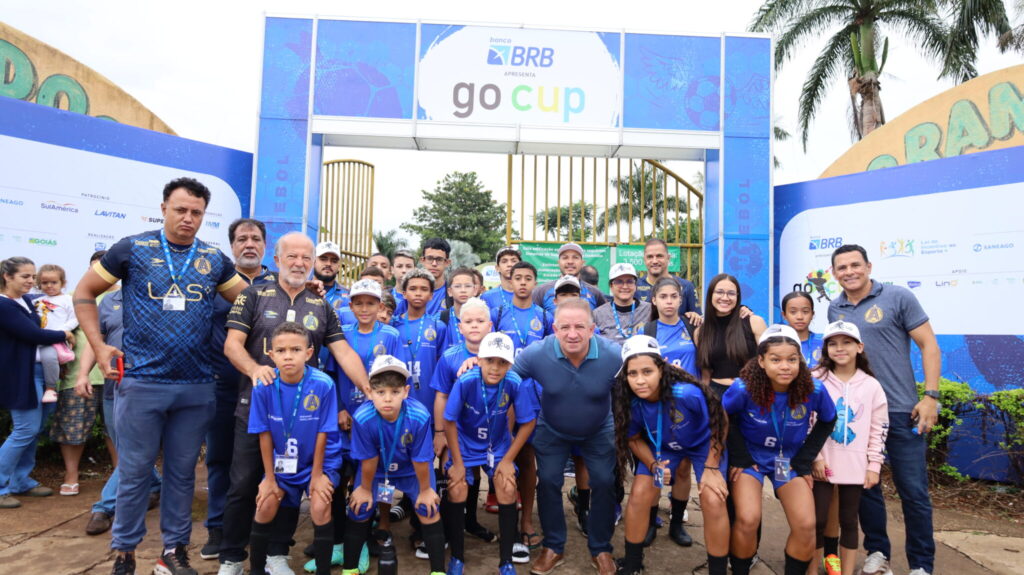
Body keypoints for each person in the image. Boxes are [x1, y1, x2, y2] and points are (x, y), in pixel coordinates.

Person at [73, 177, 248, 575]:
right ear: (164, 208)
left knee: (182, 476)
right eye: (180, 210)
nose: (188, 218)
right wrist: (99, 346)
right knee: (134, 473)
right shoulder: (132, 248)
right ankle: (124, 553)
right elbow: (84, 292)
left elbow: (248, 299)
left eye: (196, 213)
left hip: (196, 385)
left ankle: (173, 551)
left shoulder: (213, 259)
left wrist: (289, 291)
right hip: (142, 381)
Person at [217, 231, 371, 575]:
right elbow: (232, 345)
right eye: (292, 257)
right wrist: (255, 370)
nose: (299, 263)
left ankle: (276, 554)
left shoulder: (320, 303)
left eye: (306, 258)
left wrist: (368, 388)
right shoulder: (253, 295)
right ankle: (232, 557)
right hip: (256, 409)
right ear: (277, 260)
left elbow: (343, 351)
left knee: (288, 483)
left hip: (303, 417)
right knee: (244, 484)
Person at [827, 244, 940, 575]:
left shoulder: (898, 297)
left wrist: (930, 396)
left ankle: (921, 565)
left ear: (869, 267)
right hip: (859, 415)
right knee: (867, 488)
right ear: (834, 273)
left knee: (913, 492)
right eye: (842, 267)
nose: (849, 272)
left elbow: (929, 345)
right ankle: (878, 553)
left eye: (855, 265)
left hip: (903, 411)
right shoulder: (835, 309)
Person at [511, 298, 622, 575]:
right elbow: (505, 377)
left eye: (580, 327)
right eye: (565, 327)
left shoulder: (614, 355)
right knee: (548, 481)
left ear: (592, 329)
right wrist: (475, 364)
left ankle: (601, 548)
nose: (572, 334)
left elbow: (646, 373)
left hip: (598, 429)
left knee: (604, 481)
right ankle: (553, 546)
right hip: (552, 429)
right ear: (554, 329)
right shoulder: (537, 353)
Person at [723, 324, 837, 575]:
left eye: (792, 360)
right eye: (776, 360)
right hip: (751, 457)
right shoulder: (743, 388)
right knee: (748, 519)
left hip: (788, 459)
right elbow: (723, 417)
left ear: (800, 361)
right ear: (761, 361)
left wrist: (805, 458)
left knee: (806, 525)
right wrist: (740, 457)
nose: (785, 366)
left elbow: (828, 419)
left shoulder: (813, 389)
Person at [613, 335, 729, 575]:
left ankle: (716, 569)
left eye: (647, 371)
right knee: (639, 495)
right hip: (663, 447)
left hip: (703, 445)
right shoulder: (631, 402)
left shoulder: (686, 393)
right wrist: (652, 464)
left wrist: (711, 466)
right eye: (632, 373)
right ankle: (633, 564)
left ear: (662, 368)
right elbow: (633, 438)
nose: (640, 380)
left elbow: (720, 420)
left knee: (713, 499)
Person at [203, 217, 276, 559]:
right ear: (232, 245)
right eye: (242, 239)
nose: (249, 244)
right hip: (223, 385)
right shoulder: (213, 284)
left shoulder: (279, 285)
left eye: (255, 238)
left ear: (265, 245)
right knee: (220, 458)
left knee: (264, 460)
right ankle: (218, 527)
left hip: (266, 389)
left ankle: (261, 526)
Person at [76, 257, 163, 536]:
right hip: (113, 389)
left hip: (146, 390)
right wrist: (83, 374)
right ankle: (155, 485)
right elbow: (96, 341)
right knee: (127, 450)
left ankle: (104, 507)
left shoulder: (160, 298)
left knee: (133, 451)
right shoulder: (108, 302)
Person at [248, 322, 342, 575]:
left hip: (318, 462)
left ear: (309, 353)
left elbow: (324, 432)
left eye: (295, 350)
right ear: (271, 354)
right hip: (282, 462)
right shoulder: (263, 386)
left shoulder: (323, 384)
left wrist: (317, 476)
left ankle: (323, 571)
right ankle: (256, 570)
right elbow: (264, 434)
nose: (288, 356)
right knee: (265, 503)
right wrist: (269, 479)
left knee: (320, 504)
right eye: (281, 351)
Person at [343, 355, 446, 575]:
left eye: (395, 392)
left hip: (412, 469)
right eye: (380, 392)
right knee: (360, 506)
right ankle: (349, 569)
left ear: (406, 392)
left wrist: (426, 490)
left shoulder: (419, 416)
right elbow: (368, 459)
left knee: (428, 507)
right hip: (377, 471)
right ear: (369, 392)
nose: (387, 399)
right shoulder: (363, 417)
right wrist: (364, 489)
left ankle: (438, 570)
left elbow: (421, 458)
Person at [444, 332, 537, 574]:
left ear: (510, 364)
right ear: (479, 359)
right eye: (489, 360)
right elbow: (449, 421)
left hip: (497, 445)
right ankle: (457, 557)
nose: (495, 368)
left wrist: (508, 460)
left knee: (507, 486)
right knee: (457, 486)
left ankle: (506, 560)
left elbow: (528, 422)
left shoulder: (514, 382)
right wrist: (458, 462)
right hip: (466, 443)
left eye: (502, 362)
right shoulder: (466, 381)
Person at [811, 321, 888, 575]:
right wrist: (816, 457)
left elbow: (878, 428)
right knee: (817, 520)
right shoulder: (816, 380)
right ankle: (812, 570)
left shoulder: (872, 385)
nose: (839, 348)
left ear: (859, 347)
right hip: (822, 463)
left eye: (846, 342)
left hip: (856, 465)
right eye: (833, 343)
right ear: (826, 348)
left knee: (849, 520)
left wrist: (874, 465)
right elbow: (807, 422)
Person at [0, 256, 72, 509]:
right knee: (25, 429)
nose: (32, 281)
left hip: (42, 372)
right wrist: (64, 333)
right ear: (7, 276)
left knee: (35, 429)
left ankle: (20, 481)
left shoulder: (28, 301)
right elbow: (33, 334)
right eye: (25, 276)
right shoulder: (4, 305)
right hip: (21, 374)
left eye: (33, 276)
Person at [638, 276, 701, 546]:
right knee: (658, 464)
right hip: (657, 407)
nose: (669, 302)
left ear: (680, 299)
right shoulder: (648, 330)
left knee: (684, 468)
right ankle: (651, 521)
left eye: (674, 297)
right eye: (663, 297)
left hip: (688, 408)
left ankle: (676, 524)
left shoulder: (693, 325)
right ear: (654, 300)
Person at [429, 298, 498, 545]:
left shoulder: (499, 356)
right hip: (456, 431)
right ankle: (450, 529)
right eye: (468, 321)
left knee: (477, 472)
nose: (474, 325)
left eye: (480, 321)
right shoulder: (450, 357)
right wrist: (439, 433)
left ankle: (471, 522)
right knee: (453, 474)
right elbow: (441, 396)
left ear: (490, 325)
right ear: (460, 327)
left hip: (488, 431)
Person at [694, 273, 767, 398]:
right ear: (710, 295)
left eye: (731, 293)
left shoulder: (754, 322)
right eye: (719, 292)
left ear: (737, 297)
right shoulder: (700, 332)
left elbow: (768, 360)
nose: (725, 297)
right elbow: (706, 375)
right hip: (716, 396)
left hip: (751, 393)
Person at [33, 263, 77, 404]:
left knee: (49, 356)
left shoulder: (68, 300)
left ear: (62, 283)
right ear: (39, 284)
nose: (49, 286)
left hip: (55, 340)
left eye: (54, 282)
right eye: (45, 283)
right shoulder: (35, 301)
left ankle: (50, 388)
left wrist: (61, 332)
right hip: (37, 339)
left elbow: (75, 318)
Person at [532, 243, 607, 313]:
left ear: (582, 263)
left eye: (575, 257)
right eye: (565, 258)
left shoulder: (595, 293)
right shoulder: (541, 292)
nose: (570, 262)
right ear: (558, 262)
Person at [634, 238, 700, 316]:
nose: (655, 261)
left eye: (659, 256)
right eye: (650, 257)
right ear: (644, 260)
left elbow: (698, 319)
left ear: (668, 258)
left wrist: (694, 316)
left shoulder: (686, 287)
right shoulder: (634, 287)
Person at [593, 263, 651, 343]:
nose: (625, 286)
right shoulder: (598, 314)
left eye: (629, 282)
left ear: (635, 285)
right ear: (611, 286)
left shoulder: (649, 310)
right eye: (619, 282)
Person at [439, 267, 481, 349]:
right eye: (457, 286)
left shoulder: (484, 318)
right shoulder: (439, 319)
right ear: (450, 291)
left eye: (468, 286)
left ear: (475, 290)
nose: (463, 290)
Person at [781, 291, 823, 368]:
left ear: (812, 314)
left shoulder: (824, 341)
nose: (799, 317)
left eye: (805, 311)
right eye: (793, 312)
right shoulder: (776, 343)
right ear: (784, 315)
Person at [481, 245, 521, 313]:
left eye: (514, 261)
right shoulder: (487, 296)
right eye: (504, 261)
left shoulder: (531, 295)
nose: (509, 264)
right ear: (497, 268)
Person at [315, 240, 349, 313]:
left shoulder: (349, 296)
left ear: (339, 266)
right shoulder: (300, 290)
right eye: (323, 259)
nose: (328, 264)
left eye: (334, 261)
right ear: (313, 262)